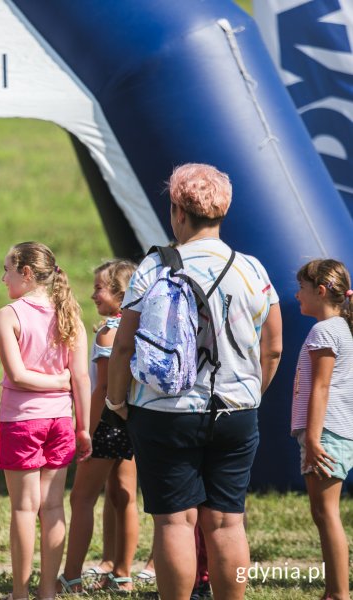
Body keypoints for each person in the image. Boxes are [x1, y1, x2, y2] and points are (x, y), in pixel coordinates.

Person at [106, 163, 283, 600]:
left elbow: (124, 345)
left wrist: (117, 400)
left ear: (178, 213)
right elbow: (274, 347)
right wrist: (250, 395)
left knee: (174, 522)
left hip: (163, 410)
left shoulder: (153, 268)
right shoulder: (253, 270)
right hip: (236, 411)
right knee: (228, 522)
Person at [0, 241, 91, 600]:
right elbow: (80, 378)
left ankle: (21, 593)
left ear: (27, 273)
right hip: (61, 422)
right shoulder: (70, 315)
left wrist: (54, 383)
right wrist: (82, 427)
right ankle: (47, 592)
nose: (3, 279)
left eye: (7, 270)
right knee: (52, 507)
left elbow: (17, 376)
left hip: (22, 422)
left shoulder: (9, 315)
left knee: (23, 508)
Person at [58, 259, 137, 594]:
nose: (93, 295)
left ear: (120, 295)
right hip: (131, 422)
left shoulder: (108, 334)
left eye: (100, 289)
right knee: (124, 498)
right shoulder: (136, 328)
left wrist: (85, 431)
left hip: (104, 423)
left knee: (81, 498)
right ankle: (122, 575)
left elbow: (102, 388)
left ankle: (71, 576)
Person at [290, 259, 353, 600]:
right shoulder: (340, 328)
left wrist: (313, 438)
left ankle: (338, 593)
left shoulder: (324, 331)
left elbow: (321, 387)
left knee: (326, 513)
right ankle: (334, 590)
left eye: (301, 288)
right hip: (332, 431)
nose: (297, 295)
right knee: (322, 512)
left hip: (326, 433)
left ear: (321, 290)